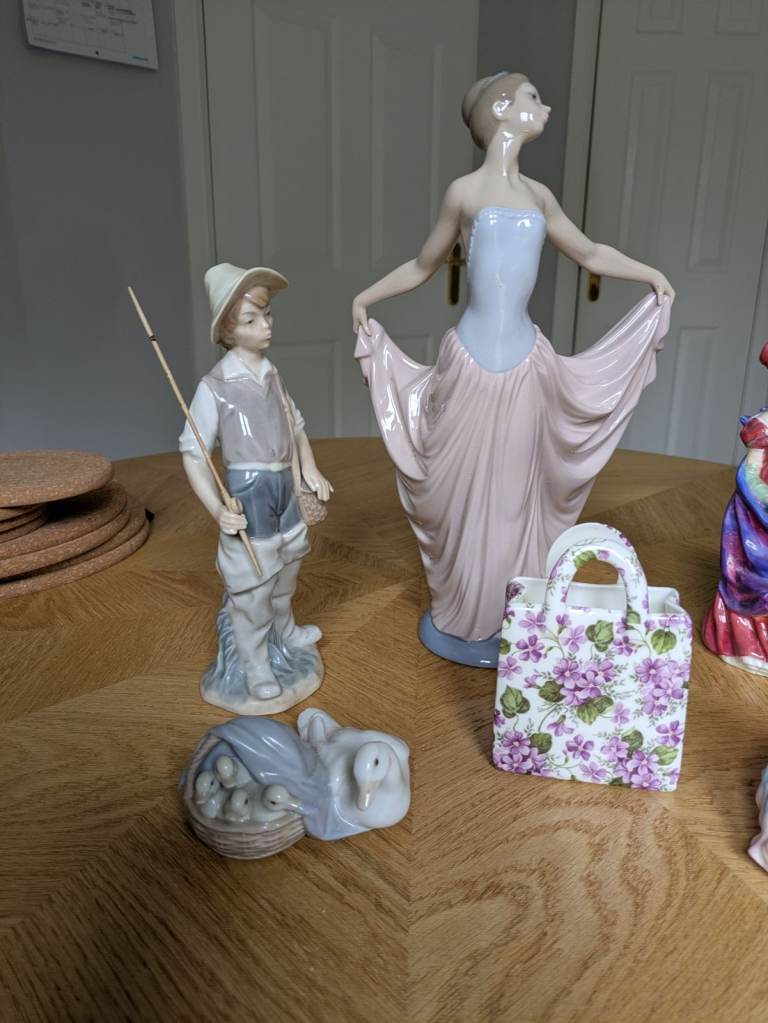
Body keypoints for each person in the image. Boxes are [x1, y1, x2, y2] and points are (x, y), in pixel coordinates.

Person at [352, 72, 673, 666]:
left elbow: (589, 253)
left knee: (514, 497)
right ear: (502, 107)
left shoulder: (540, 196)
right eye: (532, 97)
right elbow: (423, 265)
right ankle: (464, 611)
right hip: (470, 365)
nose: (544, 106)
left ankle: (511, 613)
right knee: (459, 493)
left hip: (527, 364)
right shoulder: (464, 192)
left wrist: (649, 274)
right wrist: (365, 299)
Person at [181, 263, 332, 702]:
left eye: (266, 315)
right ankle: (254, 663)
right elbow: (193, 454)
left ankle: (285, 630)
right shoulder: (215, 387)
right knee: (254, 584)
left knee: (288, 567)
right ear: (227, 331)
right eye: (251, 320)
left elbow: (296, 426)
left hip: (285, 485)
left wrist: (310, 469)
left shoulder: (272, 374)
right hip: (249, 492)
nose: (265, 326)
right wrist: (217, 510)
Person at [703, 342, 768, 675]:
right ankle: (746, 645)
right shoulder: (764, 426)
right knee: (755, 576)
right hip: (757, 518)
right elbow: (750, 477)